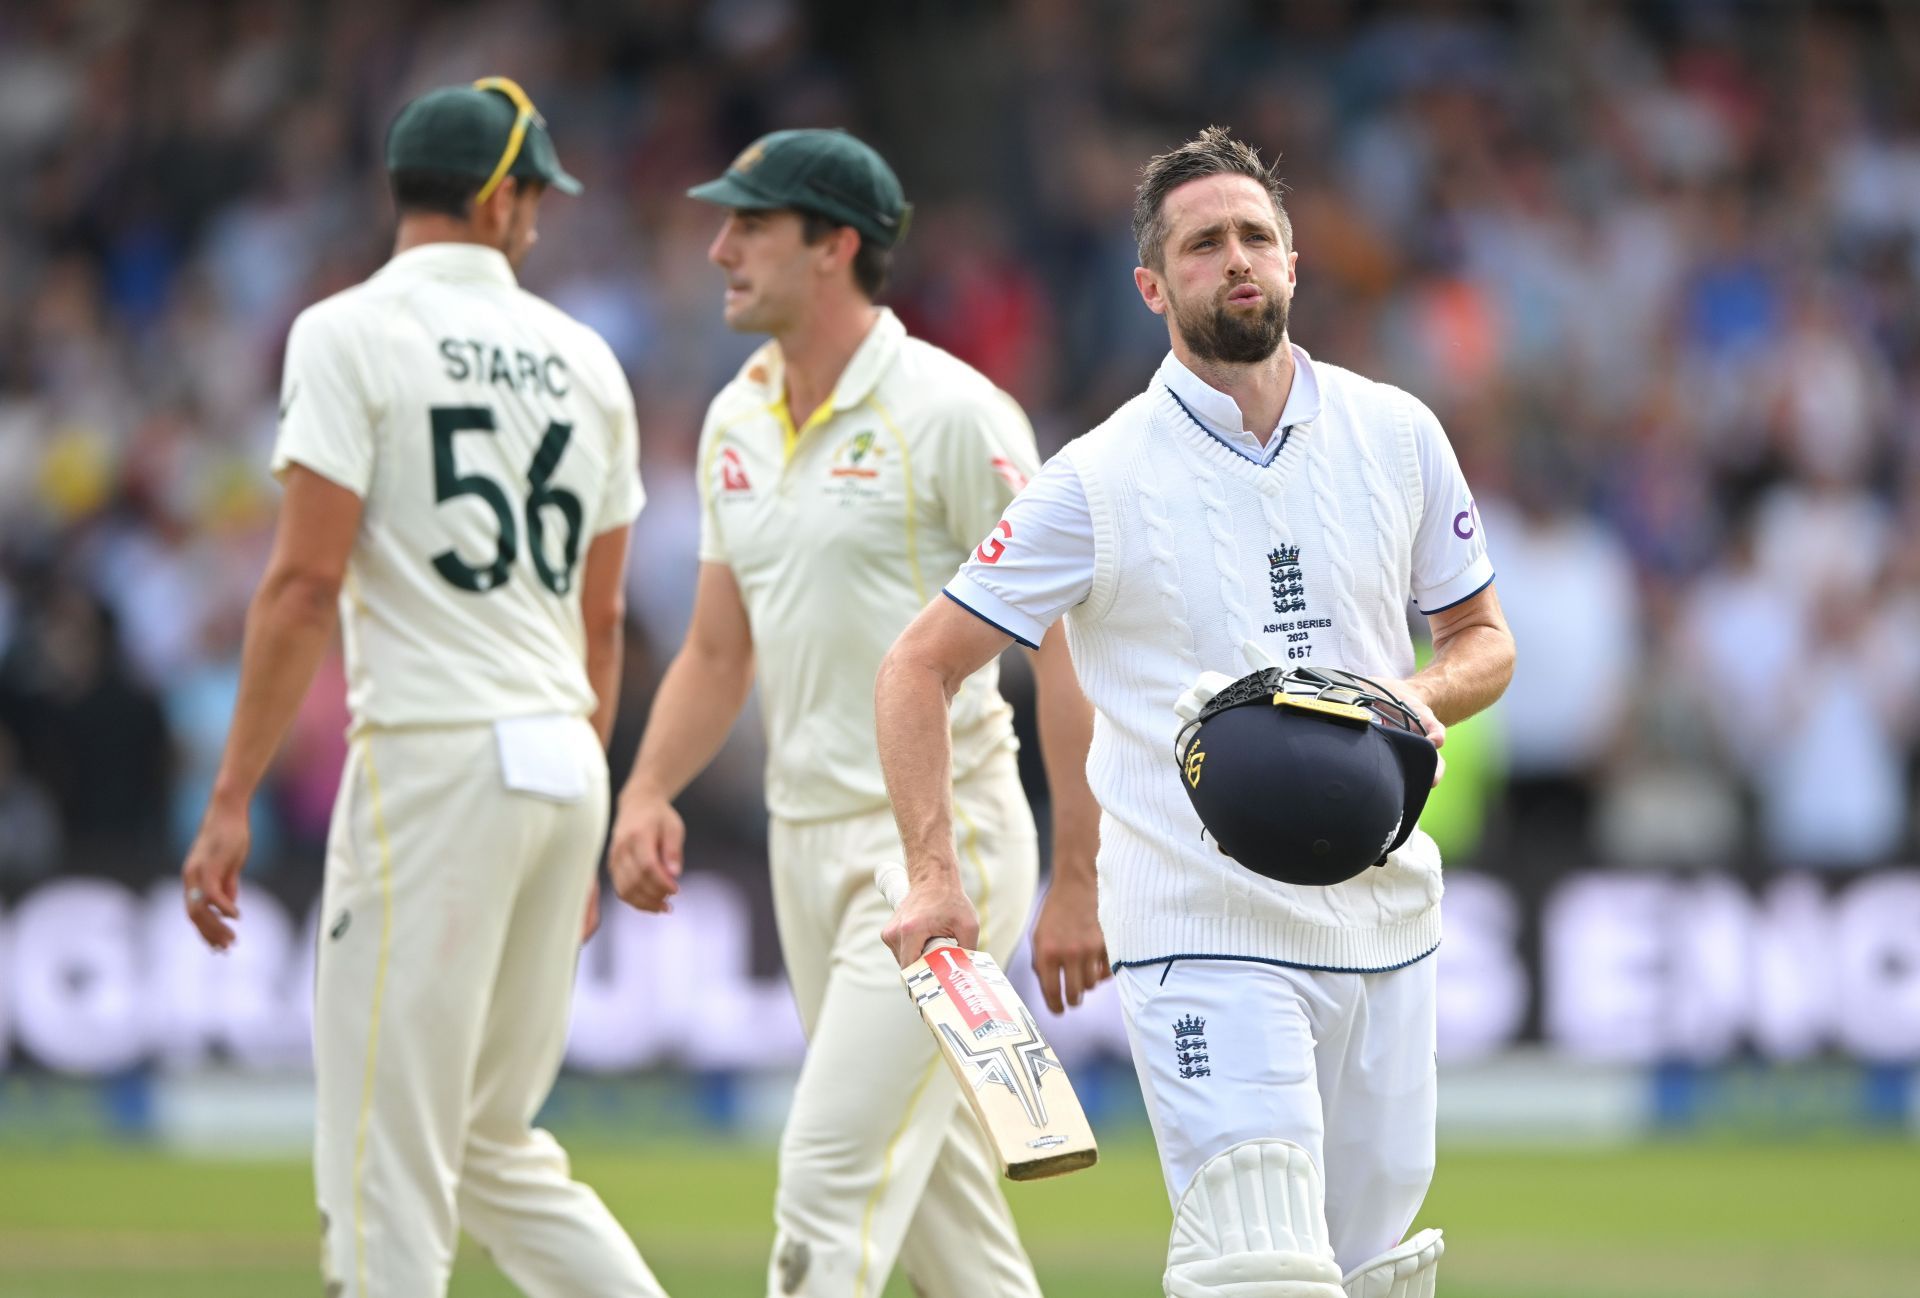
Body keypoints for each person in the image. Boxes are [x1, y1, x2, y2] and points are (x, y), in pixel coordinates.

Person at [875, 127, 1516, 1298]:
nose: (1237, 260)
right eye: (1204, 242)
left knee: (1372, 1268)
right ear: (1152, 285)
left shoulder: (1397, 429)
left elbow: (1482, 643)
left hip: (1387, 913)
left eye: (1256, 236)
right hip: (1199, 921)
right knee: (1259, 1260)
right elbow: (916, 666)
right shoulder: (1097, 475)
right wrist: (934, 870)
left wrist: (1400, 701)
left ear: (1293, 260)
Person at [179, 78, 665, 1298]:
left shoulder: (344, 331)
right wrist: (592, 799)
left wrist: (232, 793)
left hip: (438, 761)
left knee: (381, 1160)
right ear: (498, 197)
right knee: (491, 1147)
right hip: (561, 758)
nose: (541, 218)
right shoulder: (586, 357)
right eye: (536, 195)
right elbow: (602, 617)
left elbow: (300, 586)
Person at [607, 128, 1102, 1298]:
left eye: (750, 225)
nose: (719, 247)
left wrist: (1080, 868)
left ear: (834, 245)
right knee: (945, 1225)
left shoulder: (951, 411)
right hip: (804, 842)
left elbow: (1066, 649)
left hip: (945, 844)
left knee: (827, 1183)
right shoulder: (737, 416)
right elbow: (720, 649)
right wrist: (644, 789)